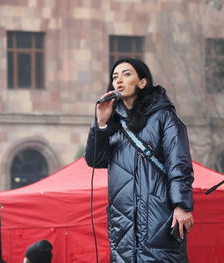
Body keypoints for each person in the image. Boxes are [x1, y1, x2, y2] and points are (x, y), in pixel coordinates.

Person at [85, 58, 194, 262]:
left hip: (159, 217)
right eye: (115, 77)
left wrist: (181, 205)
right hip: (123, 224)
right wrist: (100, 124)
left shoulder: (164, 116)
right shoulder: (113, 123)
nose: (119, 80)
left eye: (127, 74)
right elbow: (94, 160)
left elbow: (179, 163)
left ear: (143, 82)